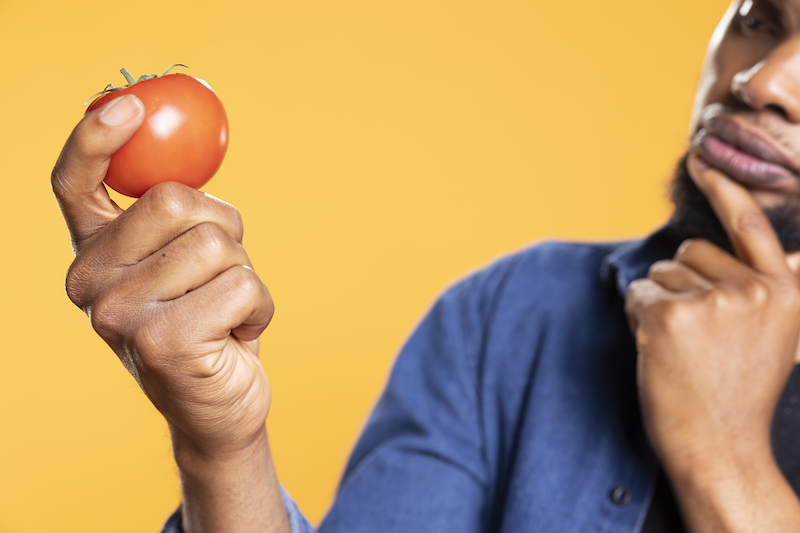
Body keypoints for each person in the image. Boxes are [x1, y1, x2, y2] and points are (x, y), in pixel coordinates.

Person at [50, 1, 800, 531]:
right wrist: (222, 446)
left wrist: (723, 458)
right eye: (758, 18)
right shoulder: (506, 316)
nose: (761, 82)